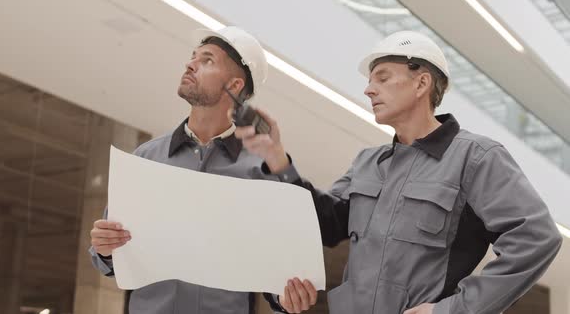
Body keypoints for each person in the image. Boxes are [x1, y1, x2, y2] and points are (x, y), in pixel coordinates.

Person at [235, 30, 563, 314]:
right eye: (369, 81)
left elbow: (536, 238)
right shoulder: (368, 162)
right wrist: (277, 160)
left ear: (421, 83)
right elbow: (324, 222)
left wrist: (455, 309)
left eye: (383, 77)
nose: (368, 90)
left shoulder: (475, 157)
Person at [88, 26, 316, 314]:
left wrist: (285, 298)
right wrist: (104, 249)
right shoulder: (146, 158)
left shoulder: (261, 170)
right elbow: (106, 261)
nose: (190, 64)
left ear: (234, 86)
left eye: (206, 60)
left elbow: (276, 271)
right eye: (193, 56)